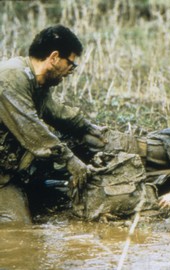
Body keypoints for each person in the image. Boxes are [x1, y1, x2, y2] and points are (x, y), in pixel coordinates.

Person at [0, 25, 105, 225]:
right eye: (71, 64)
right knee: (17, 226)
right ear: (54, 57)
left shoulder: (36, 82)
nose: (71, 71)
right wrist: (70, 159)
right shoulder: (10, 78)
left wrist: (89, 128)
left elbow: (54, 111)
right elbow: (31, 129)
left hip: (8, 173)